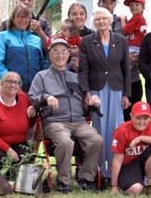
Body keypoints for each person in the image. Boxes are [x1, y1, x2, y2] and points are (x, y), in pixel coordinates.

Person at [28, 38, 104, 193]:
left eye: (63, 51)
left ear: (69, 54)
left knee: (97, 140)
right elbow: (33, 96)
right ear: (49, 55)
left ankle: (85, 178)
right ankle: (63, 181)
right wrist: (46, 97)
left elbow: (86, 99)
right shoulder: (41, 76)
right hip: (54, 122)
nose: (59, 55)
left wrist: (92, 99)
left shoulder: (76, 78)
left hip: (79, 121)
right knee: (65, 142)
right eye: (55, 51)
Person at [78, 8, 131, 183]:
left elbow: (126, 69)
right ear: (94, 22)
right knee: (99, 128)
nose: (101, 21)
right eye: (98, 19)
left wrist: (126, 94)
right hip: (96, 89)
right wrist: (86, 92)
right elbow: (83, 69)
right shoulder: (86, 41)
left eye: (105, 18)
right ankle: (99, 171)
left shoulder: (121, 40)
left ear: (110, 20)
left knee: (115, 128)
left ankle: (113, 171)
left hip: (116, 89)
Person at [110, 101, 151, 195]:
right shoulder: (122, 130)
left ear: (150, 117)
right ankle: (136, 182)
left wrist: (140, 138)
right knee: (135, 189)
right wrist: (114, 186)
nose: (142, 122)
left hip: (143, 162)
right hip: (128, 165)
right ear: (131, 116)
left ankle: (150, 184)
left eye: (145, 118)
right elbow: (117, 160)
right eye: (138, 118)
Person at [0, 4, 49, 92]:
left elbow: (42, 64)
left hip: (34, 89)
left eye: (26, 17)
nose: (23, 20)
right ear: (13, 18)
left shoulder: (36, 39)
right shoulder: (2, 37)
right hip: (12, 89)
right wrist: (11, 83)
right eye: (20, 17)